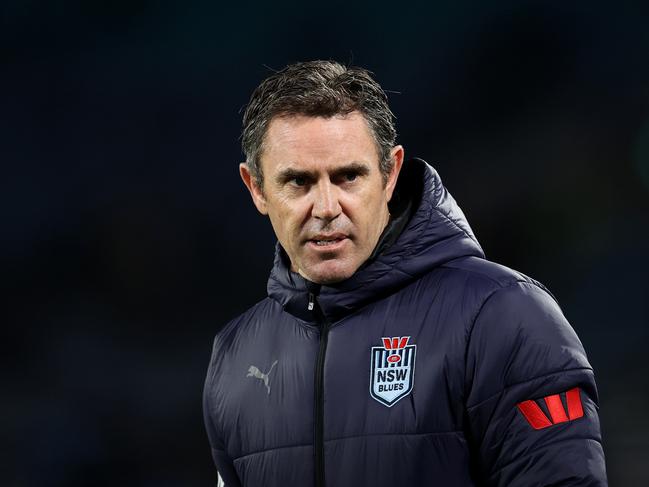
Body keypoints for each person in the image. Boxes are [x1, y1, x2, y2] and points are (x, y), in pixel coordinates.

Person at [203, 60, 607, 487]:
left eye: (348, 176)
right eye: (299, 182)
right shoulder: (235, 355)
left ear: (390, 174)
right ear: (257, 189)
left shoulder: (504, 316)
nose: (326, 207)